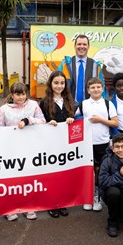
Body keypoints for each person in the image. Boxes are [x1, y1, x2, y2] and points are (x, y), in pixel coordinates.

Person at [0, 82, 46, 221]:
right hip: (10, 150)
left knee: (28, 177)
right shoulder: (4, 109)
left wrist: (28, 120)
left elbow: (43, 121)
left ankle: (28, 205)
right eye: (18, 94)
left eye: (23, 93)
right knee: (11, 179)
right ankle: (9, 208)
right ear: (12, 95)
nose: (21, 97)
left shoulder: (34, 105)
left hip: (29, 148)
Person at [75, 77, 118, 212]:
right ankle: (88, 197)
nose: (95, 89)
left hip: (103, 142)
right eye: (92, 87)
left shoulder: (107, 104)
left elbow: (115, 123)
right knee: (88, 171)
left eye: (98, 87)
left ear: (102, 89)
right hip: (86, 143)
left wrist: (100, 120)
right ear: (88, 90)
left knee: (100, 171)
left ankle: (97, 197)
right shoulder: (83, 104)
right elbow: (76, 119)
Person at [39, 71, 75, 218]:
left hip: (66, 145)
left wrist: (71, 119)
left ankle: (63, 202)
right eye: (56, 83)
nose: (59, 86)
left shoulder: (69, 100)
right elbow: (40, 121)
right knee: (52, 175)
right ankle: (52, 203)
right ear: (50, 84)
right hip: (50, 144)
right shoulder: (44, 102)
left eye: (62, 83)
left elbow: (74, 116)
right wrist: (48, 122)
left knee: (64, 175)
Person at [59, 34, 104, 104]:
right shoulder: (65, 64)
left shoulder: (96, 66)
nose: (82, 47)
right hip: (68, 106)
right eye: (79, 44)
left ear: (88, 47)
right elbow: (57, 85)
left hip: (90, 107)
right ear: (75, 46)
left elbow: (101, 88)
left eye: (84, 44)